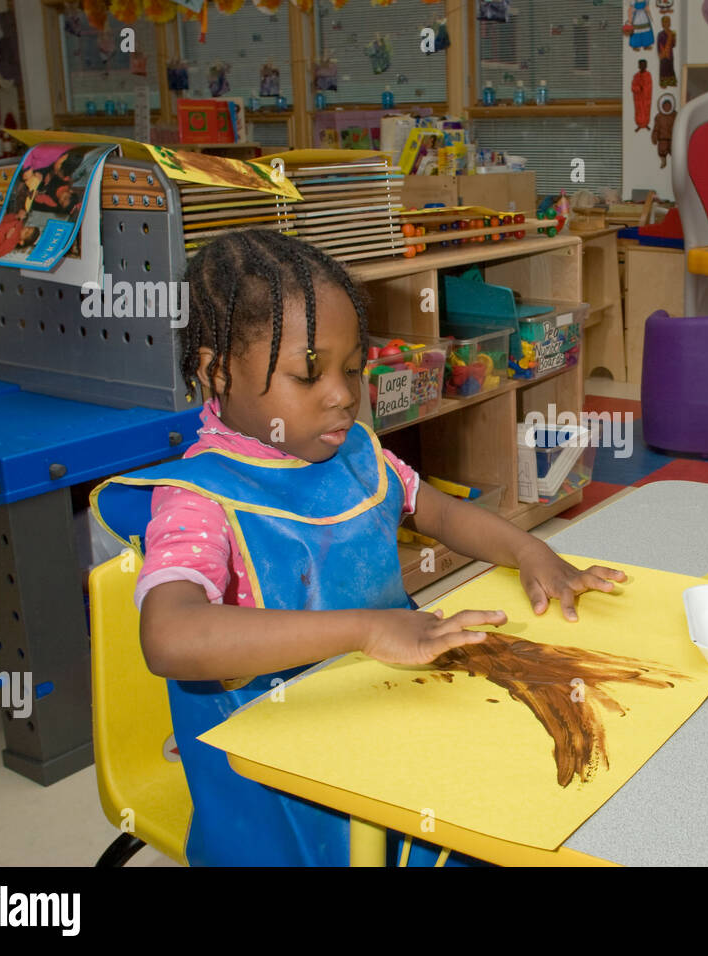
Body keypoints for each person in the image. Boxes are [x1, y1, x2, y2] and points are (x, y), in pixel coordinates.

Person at [91, 231, 626, 866]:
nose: (343, 394)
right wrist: (368, 629)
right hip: (278, 773)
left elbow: (441, 512)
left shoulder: (356, 454)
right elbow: (170, 638)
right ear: (216, 371)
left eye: (352, 368)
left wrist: (531, 552)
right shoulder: (199, 501)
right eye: (307, 374)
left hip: (383, 712)